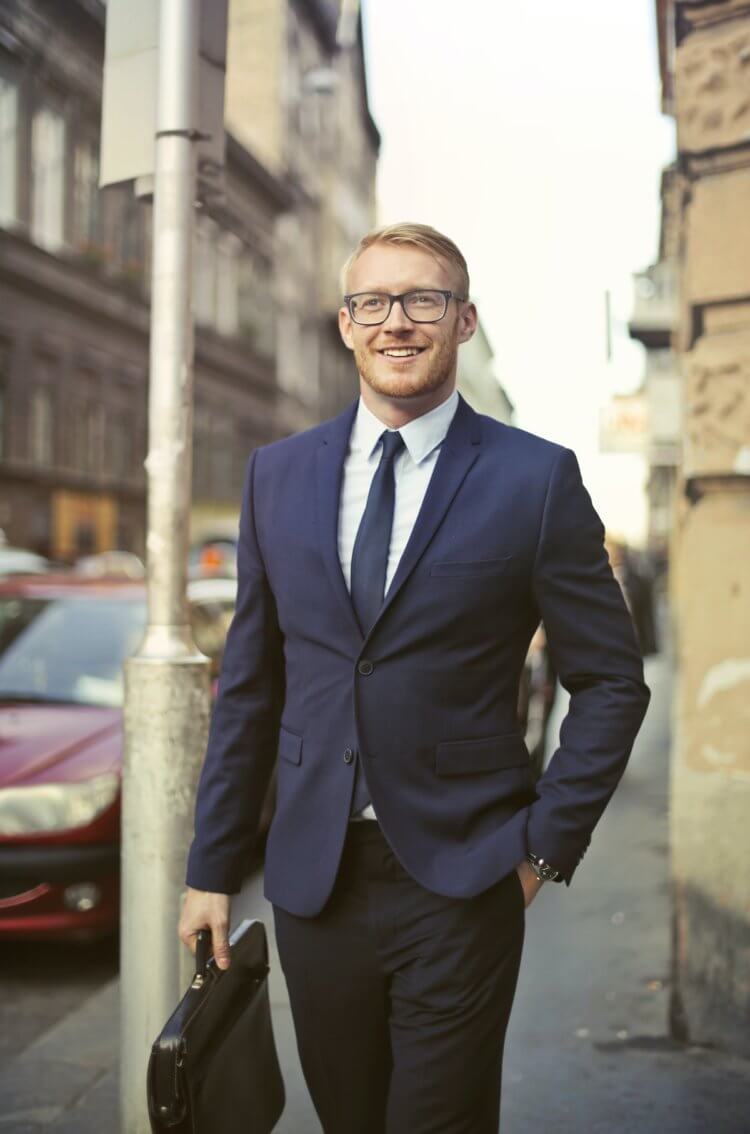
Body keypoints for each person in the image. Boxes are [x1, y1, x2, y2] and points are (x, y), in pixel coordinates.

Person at [179, 222, 650, 1133]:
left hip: (464, 879)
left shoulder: (535, 479)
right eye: (373, 303)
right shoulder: (277, 476)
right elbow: (250, 688)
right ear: (346, 324)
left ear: (463, 321)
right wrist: (211, 870)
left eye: (423, 300)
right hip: (315, 881)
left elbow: (611, 682)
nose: (397, 322)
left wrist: (543, 848)